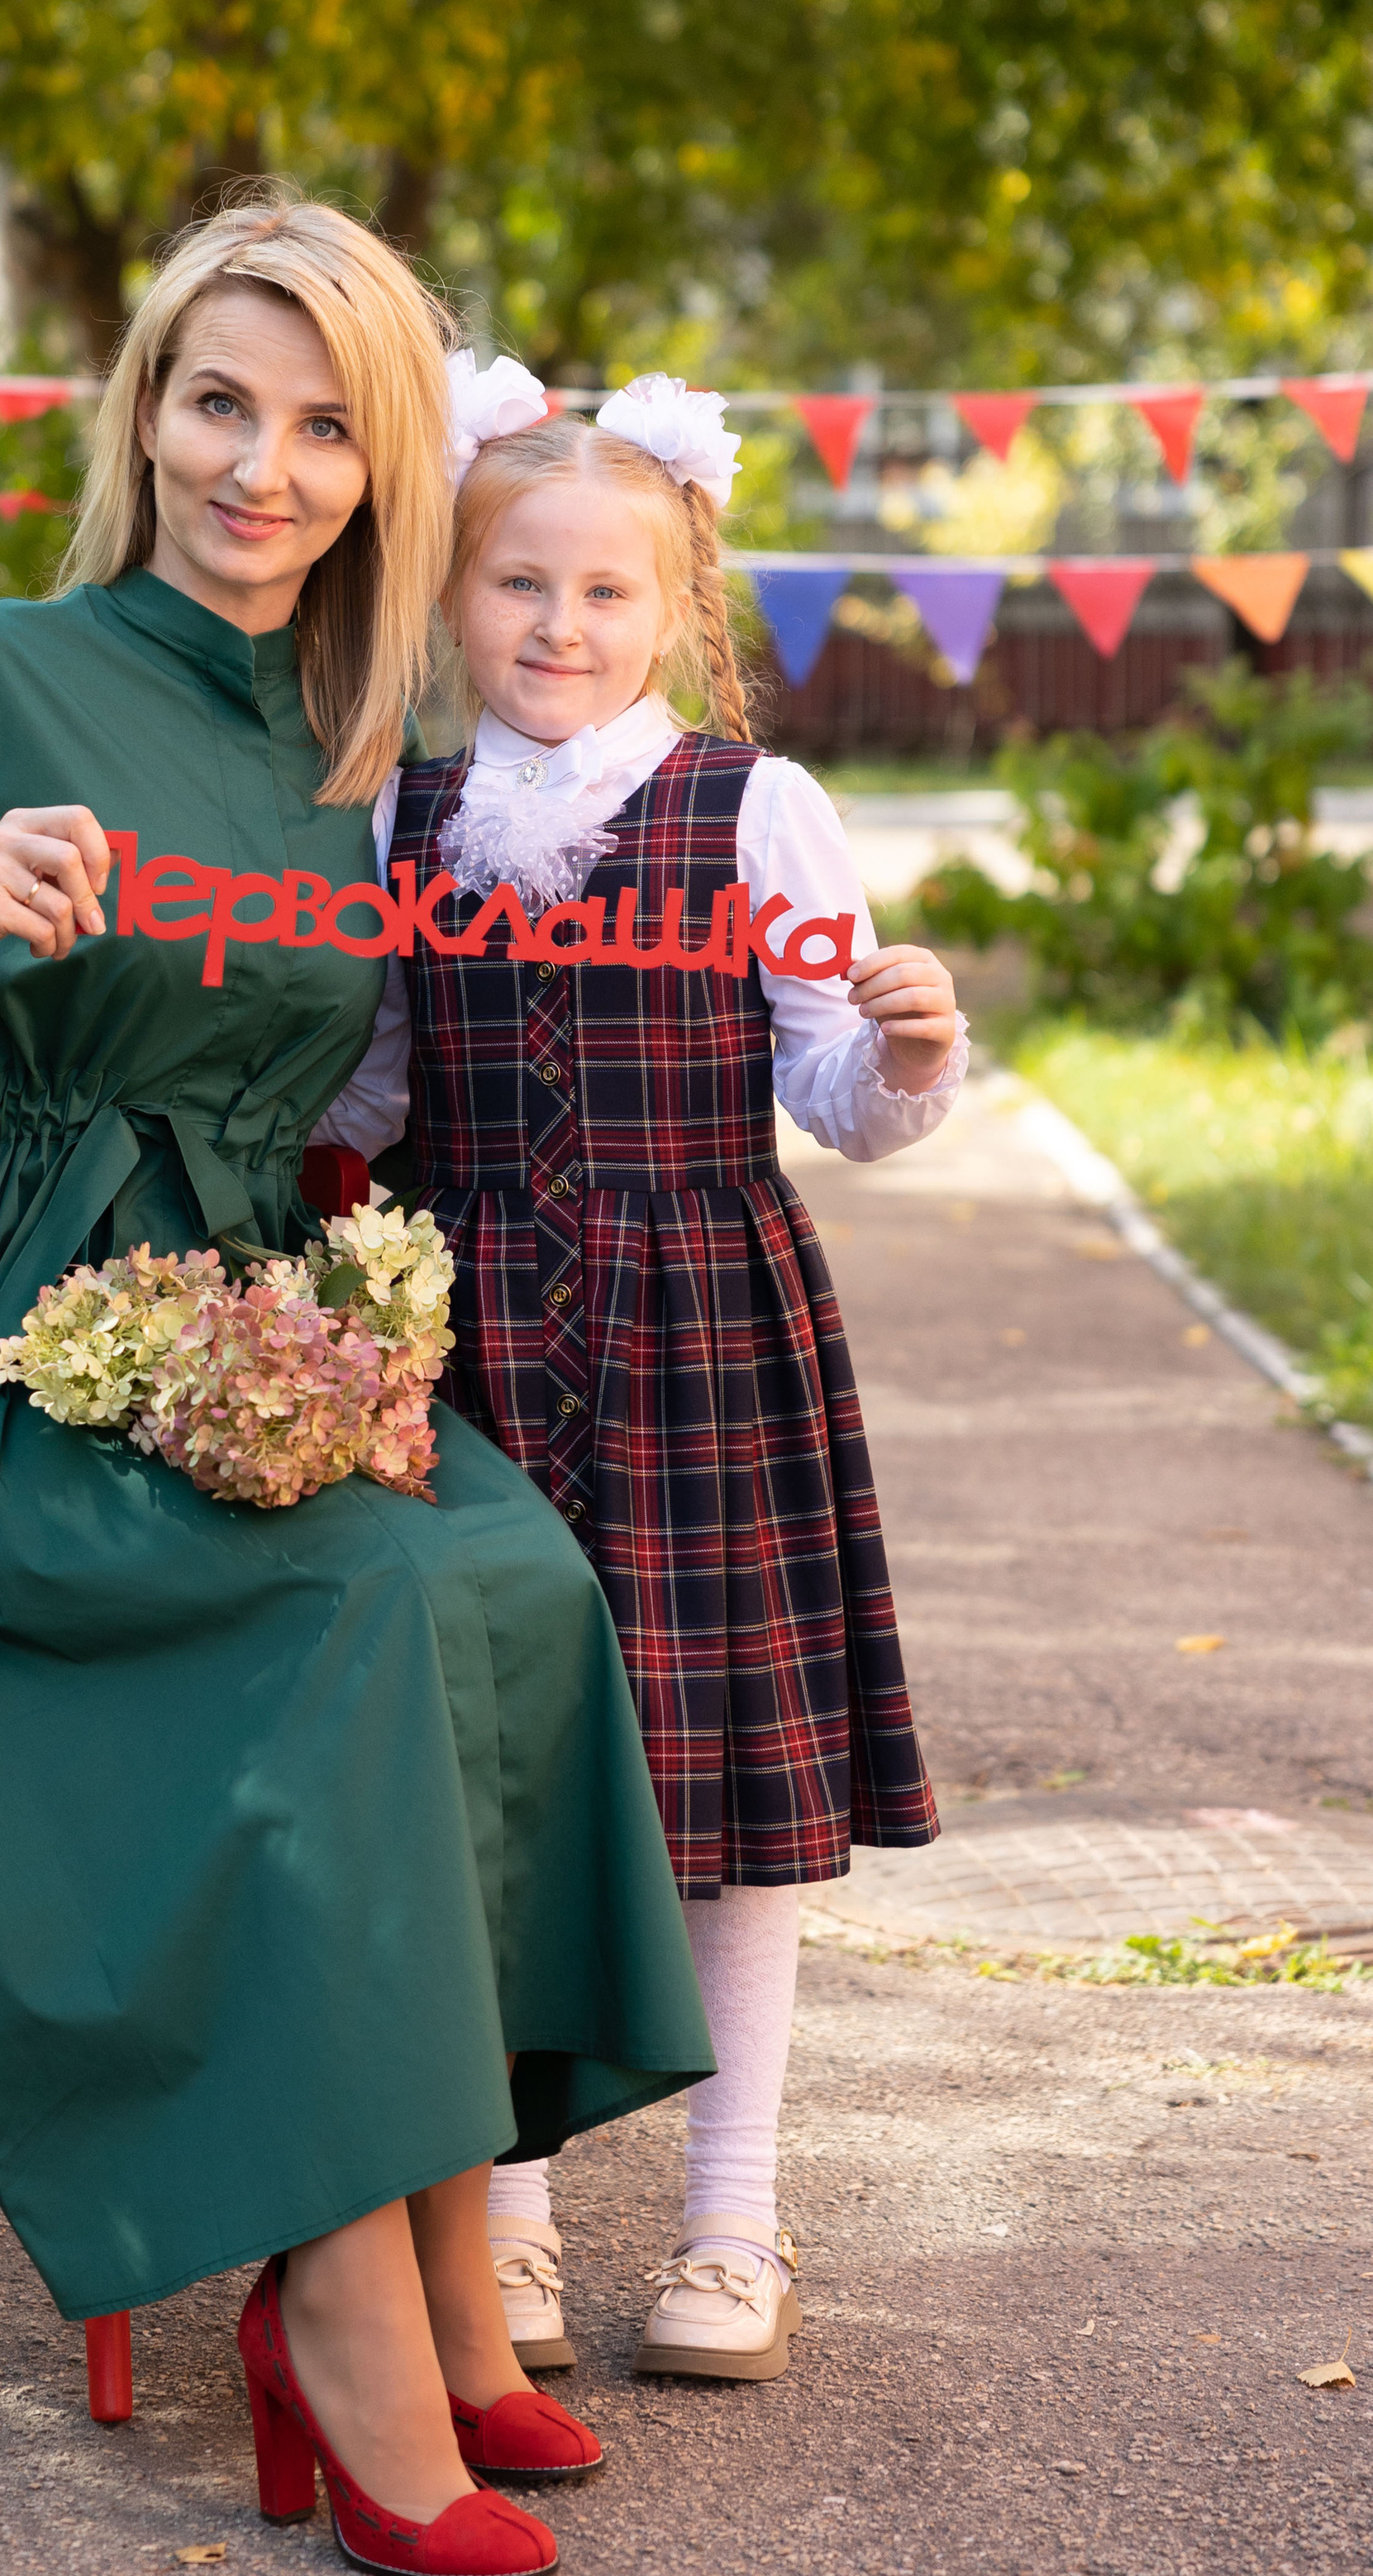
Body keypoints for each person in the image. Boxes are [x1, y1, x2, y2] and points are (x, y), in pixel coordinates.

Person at [0, 204, 711, 2576]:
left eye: (326, 426)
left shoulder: (359, 752)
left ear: (383, 472)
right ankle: (338, 2314)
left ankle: (449, 2272)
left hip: (245, 1318)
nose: (262, 468)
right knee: (354, 1609)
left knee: (510, 1578)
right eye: (220, 402)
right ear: (144, 407)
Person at [321, 363, 962, 2388]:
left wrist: (909, 1051)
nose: (557, 624)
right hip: (459, 1331)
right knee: (486, 1771)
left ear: (675, 609)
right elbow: (365, 1086)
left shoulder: (748, 807)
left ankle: (729, 2221)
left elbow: (834, 1090)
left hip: (697, 1323)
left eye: (605, 590)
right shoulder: (398, 816)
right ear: (448, 595)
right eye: (516, 582)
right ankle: (501, 2222)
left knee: (723, 1773)